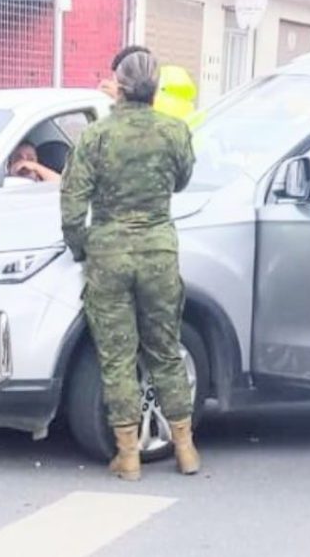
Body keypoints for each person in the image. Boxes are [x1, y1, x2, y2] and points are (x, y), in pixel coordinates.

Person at [61, 47, 200, 481]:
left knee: (118, 357)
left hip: (109, 254)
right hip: (159, 250)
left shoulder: (96, 136)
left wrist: (80, 246)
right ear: (155, 89)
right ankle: (186, 448)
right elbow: (182, 180)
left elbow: (71, 203)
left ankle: (128, 455)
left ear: (118, 87)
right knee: (165, 350)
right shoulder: (175, 132)